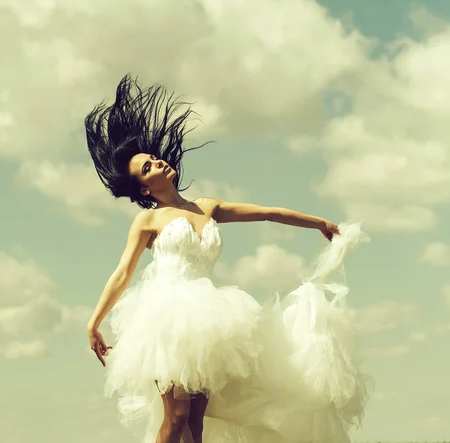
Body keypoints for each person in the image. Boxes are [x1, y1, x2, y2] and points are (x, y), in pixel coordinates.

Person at [85, 75, 372, 443]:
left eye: (154, 159)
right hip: (167, 318)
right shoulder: (148, 220)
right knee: (175, 416)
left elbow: (267, 212)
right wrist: (94, 322)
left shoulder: (208, 207)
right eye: (148, 168)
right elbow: (123, 272)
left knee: (196, 425)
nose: (157, 163)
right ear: (144, 188)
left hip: (210, 321)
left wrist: (317, 222)